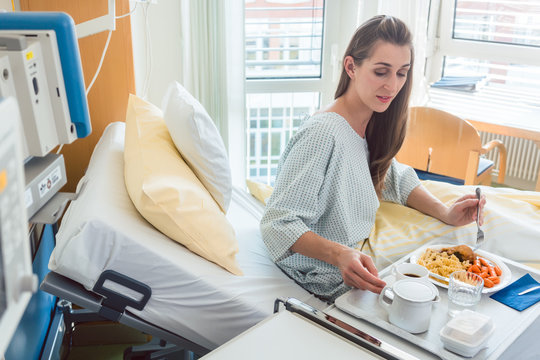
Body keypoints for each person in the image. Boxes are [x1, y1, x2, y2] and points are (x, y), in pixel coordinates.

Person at [260, 15, 486, 303]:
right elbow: (277, 223)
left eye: (402, 73)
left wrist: (445, 212)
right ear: (351, 66)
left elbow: (392, 176)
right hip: (321, 275)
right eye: (381, 72)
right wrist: (340, 254)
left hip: (353, 256)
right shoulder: (322, 134)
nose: (392, 86)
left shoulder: (369, 121)